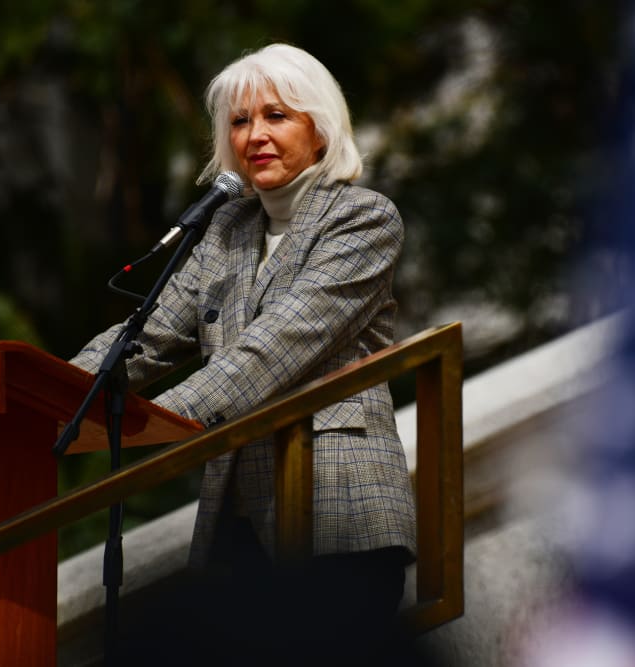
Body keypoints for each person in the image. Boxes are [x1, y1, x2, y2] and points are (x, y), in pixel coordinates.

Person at [70, 43, 419, 664]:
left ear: (320, 128)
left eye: (276, 116)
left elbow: (275, 348)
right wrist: (52, 398)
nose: (253, 135)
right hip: (238, 520)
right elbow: (144, 338)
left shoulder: (364, 218)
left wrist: (163, 426)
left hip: (339, 512)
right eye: (239, 121)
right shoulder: (224, 232)